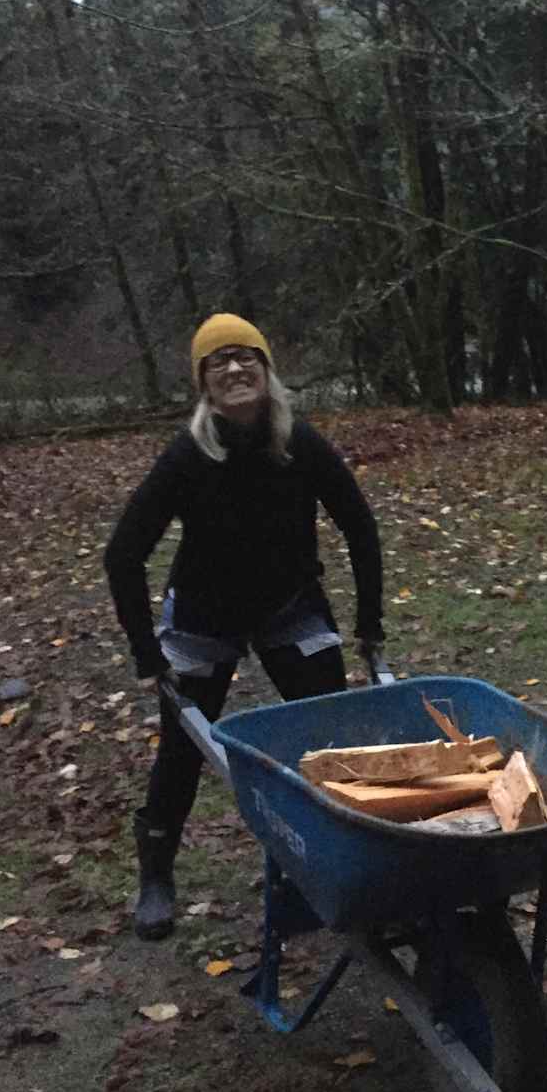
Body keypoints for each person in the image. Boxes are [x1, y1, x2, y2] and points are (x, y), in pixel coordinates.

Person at [104, 313, 384, 940]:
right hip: (204, 616)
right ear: (204, 382)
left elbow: (360, 527)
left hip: (290, 606)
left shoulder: (300, 443)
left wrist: (370, 621)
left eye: (246, 356)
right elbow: (123, 554)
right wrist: (146, 652)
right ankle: (155, 874)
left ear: (266, 368)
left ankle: (343, 860)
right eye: (218, 361)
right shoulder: (186, 458)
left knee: (330, 735)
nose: (235, 368)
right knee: (184, 747)